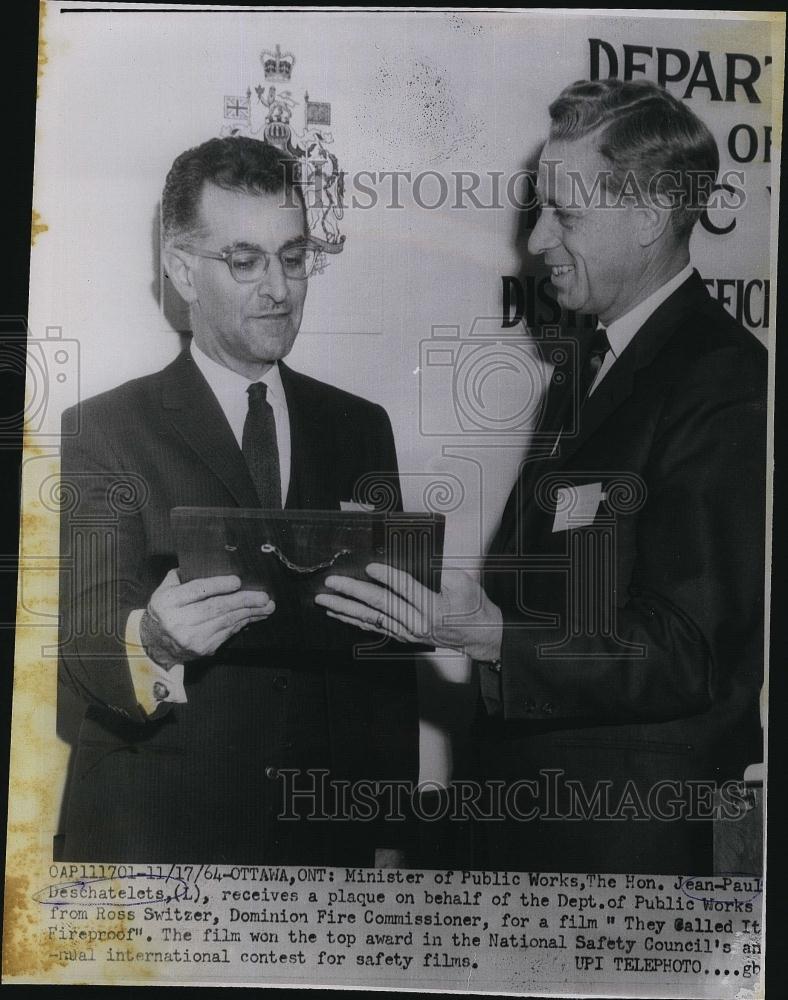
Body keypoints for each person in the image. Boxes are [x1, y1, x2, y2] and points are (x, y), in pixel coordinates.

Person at [316, 78, 767, 874]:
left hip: (627, 844)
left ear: (651, 217)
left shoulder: (723, 379)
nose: (535, 241)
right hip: (537, 826)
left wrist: (489, 635)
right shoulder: (593, 362)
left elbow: (686, 651)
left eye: (566, 212)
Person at [57, 136, 417, 864]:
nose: (279, 288)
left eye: (293, 256)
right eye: (246, 261)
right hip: (155, 834)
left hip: (325, 841)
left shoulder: (360, 428)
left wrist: (388, 833)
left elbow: (384, 655)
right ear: (183, 270)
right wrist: (152, 641)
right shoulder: (103, 429)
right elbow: (83, 630)